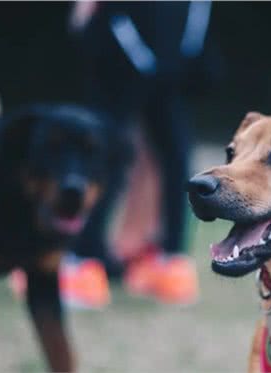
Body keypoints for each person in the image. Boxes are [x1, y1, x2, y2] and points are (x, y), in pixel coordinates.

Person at [61, 1, 214, 306]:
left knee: (103, 146)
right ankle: (171, 262)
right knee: (171, 150)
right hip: (174, 39)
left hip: (128, 31)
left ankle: (82, 265)